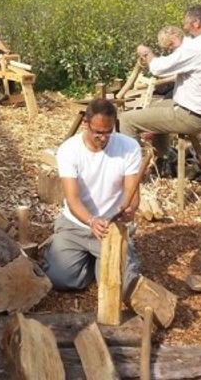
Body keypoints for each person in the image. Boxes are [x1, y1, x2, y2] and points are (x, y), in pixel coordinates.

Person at [43, 98, 142, 293]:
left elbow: (133, 193)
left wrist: (130, 209)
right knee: (58, 279)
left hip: (110, 227)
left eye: (108, 132)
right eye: (98, 132)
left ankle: (108, 258)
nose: (103, 137)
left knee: (122, 287)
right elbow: (72, 199)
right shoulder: (69, 150)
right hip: (76, 225)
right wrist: (91, 220)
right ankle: (93, 261)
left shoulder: (129, 147)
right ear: (85, 124)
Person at [119, 4, 201, 160]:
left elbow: (158, 68)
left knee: (126, 120)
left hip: (190, 116)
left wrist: (146, 52)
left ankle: (132, 170)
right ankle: (165, 158)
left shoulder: (195, 47)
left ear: (196, 23)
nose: (184, 27)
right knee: (155, 106)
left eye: (186, 23)